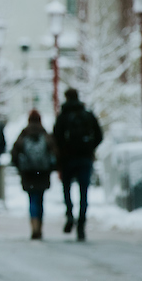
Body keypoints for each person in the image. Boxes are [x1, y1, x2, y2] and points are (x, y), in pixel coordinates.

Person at [52, 87, 103, 241]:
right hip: (85, 159)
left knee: (67, 189)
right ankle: (81, 224)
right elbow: (99, 135)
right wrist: (89, 148)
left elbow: (56, 138)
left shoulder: (63, 117)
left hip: (67, 159)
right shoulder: (87, 115)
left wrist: (62, 155)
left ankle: (69, 214)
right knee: (84, 192)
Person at [10, 109, 58, 240]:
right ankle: (40, 227)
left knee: (32, 199)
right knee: (41, 199)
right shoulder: (45, 134)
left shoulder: (24, 134)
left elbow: (14, 153)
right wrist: (51, 167)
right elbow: (54, 152)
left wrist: (20, 166)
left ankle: (34, 226)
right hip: (42, 172)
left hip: (28, 172)